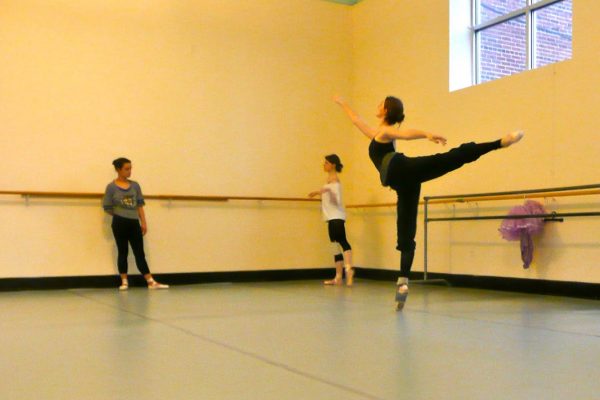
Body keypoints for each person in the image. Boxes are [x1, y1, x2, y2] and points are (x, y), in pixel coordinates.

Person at [334, 95, 523, 310]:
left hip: (402, 169)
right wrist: (343, 103)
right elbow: (357, 120)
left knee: (449, 159)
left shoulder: (386, 132)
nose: (377, 106)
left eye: (380, 104)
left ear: (386, 110)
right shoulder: (377, 133)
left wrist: (426, 134)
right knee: (405, 233)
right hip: (405, 183)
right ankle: (403, 282)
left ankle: (500, 143)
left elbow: (403, 133)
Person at [103, 157, 169, 290]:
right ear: (118, 170)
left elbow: (140, 205)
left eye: (130, 168)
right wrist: (120, 215)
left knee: (139, 252)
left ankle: (150, 281)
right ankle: (124, 281)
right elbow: (107, 207)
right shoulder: (111, 187)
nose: (129, 171)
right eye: (126, 169)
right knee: (123, 251)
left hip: (134, 223)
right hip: (119, 223)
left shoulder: (135, 185)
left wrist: (143, 222)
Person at [309, 155, 354, 286]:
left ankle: (349, 270)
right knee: (334, 246)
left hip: (336, 217)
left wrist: (323, 191)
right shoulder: (329, 180)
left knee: (342, 242)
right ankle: (338, 277)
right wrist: (320, 191)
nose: (324, 164)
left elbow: (336, 200)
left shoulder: (334, 180)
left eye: (327, 163)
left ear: (333, 165)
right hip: (330, 217)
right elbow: (330, 195)